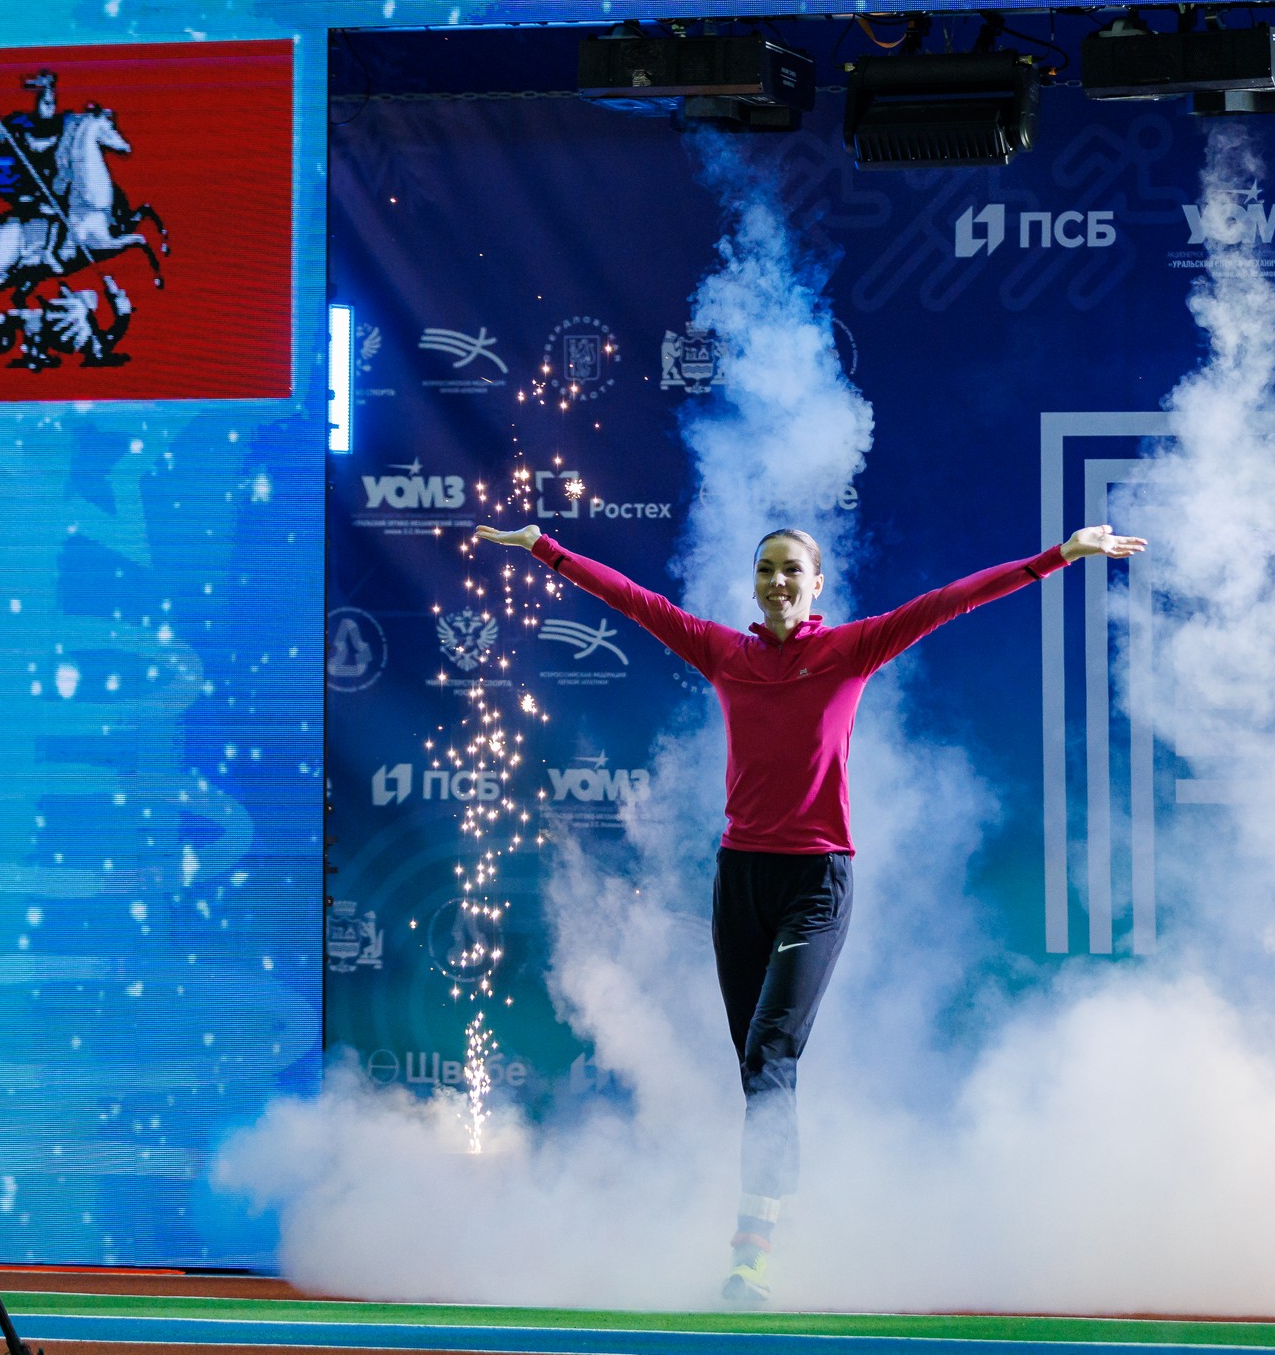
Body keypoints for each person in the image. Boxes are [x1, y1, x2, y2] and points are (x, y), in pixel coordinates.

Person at [474, 517, 1145, 1301]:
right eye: (766, 569)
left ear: (817, 583)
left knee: (771, 1052)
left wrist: (1058, 556)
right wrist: (546, 548)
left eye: (792, 569)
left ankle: (749, 1254)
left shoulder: (852, 650)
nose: (778, 581)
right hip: (740, 877)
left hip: (817, 880)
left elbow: (951, 600)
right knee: (755, 1067)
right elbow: (635, 601)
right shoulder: (723, 651)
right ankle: (772, 1223)